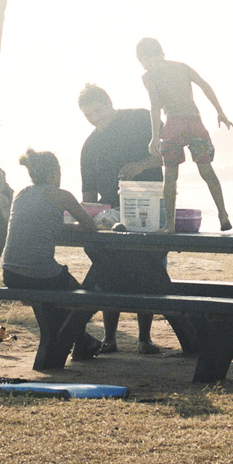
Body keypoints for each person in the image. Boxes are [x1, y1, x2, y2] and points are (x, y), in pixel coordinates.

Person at [77, 82, 165, 355]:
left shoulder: (139, 119)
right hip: (112, 215)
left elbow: (171, 153)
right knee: (109, 272)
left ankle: (144, 338)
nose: (94, 118)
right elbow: (89, 195)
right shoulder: (90, 146)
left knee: (148, 272)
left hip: (150, 205)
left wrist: (141, 165)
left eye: (98, 110)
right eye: (88, 114)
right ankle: (110, 338)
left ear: (109, 103)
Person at [1, 148, 103, 360]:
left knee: (58, 300)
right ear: (53, 173)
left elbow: (37, 225)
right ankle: (79, 343)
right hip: (39, 274)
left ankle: (83, 343)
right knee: (86, 297)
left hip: (10, 274)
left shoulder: (21, 194)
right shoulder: (62, 196)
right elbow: (90, 227)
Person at [135, 36, 233, 233]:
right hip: (194, 121)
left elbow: (155, 105)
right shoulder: (182, 67)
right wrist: (220, 111)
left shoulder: (149, 76)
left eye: (141, 61)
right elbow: (205, 85)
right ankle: (223, 214)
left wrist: (155, 136)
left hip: (174, 123)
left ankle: (169, 225)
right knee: (207, 171)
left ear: (144, 57)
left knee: (170, 176)